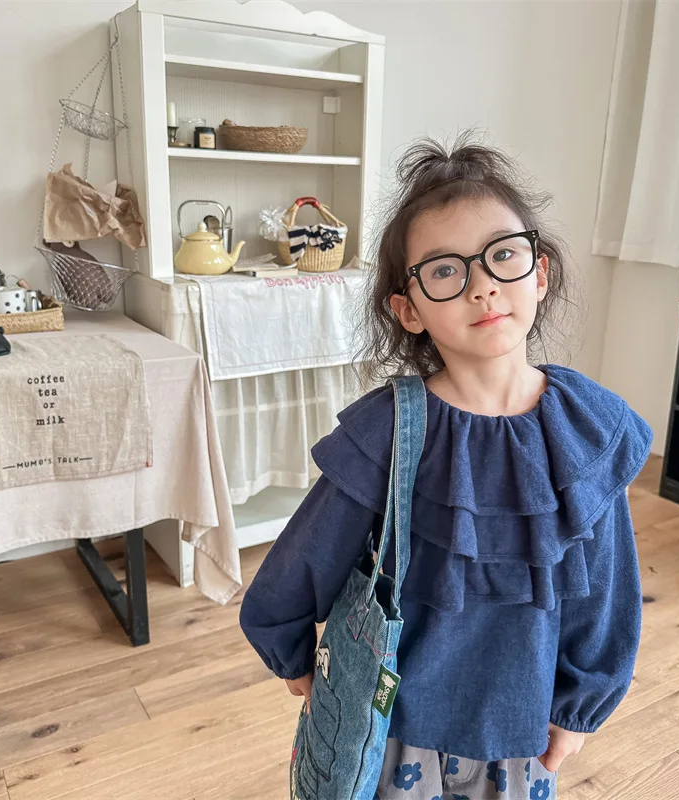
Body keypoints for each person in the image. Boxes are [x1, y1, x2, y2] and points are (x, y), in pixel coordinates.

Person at [240, 133, 652, 800]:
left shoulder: (590, 425)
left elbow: (605, 588)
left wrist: (579, 708)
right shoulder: (390, 428)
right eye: (444, 270)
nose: (482, 286)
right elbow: (306, 554)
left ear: (540, 274)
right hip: (394, 725)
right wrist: (290, 651)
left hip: (523, 730)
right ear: (409, 310)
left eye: (503, 255)